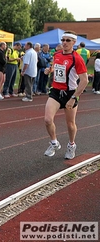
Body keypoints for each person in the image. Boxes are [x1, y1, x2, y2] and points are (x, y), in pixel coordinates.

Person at [43, 31, 88, 159]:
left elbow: (84, 80)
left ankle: (71, 145)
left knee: (70, 124)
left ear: (74, 42)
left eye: (68, 40)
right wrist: (49, 69)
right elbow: (56, 67)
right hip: (56, 91)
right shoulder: (57, 54)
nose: (64, 43)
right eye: (63, 40)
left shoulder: (77, 58)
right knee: (47, 119)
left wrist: (74, 98)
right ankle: (54, 143)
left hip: (70, 93)